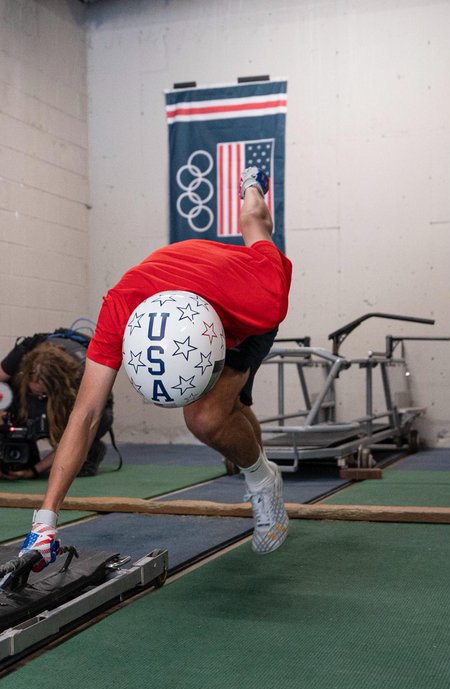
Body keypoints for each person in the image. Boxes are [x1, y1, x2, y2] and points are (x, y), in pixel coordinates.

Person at [20, 166, 292, 567]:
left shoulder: (264, 293)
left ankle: (263, 482)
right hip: (181, 284)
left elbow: (258, 225)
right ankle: (254, 459)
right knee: (220, 408)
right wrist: (45, 520)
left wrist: (253, 191)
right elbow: (86, 413)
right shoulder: (120, 309)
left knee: (204, 417)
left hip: (236, 308)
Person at [0, 331, 113, 479]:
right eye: (35, 389)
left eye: (43, 392)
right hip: (41, 388)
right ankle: (24, 447)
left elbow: (72, 439)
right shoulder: (24, 351)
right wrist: (1, 414)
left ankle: (91, 451)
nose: (39, 396)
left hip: (82, 402)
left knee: (90, 427)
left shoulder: (83, 377)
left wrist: (34, 471)